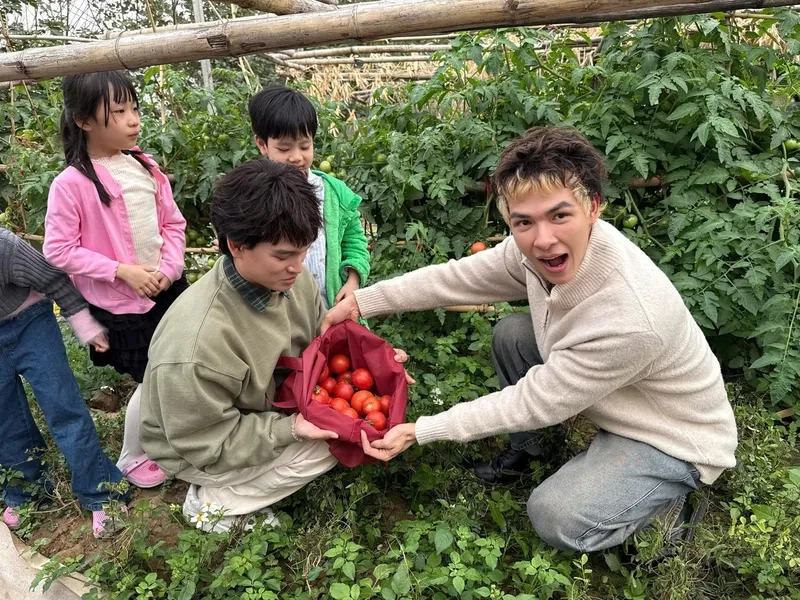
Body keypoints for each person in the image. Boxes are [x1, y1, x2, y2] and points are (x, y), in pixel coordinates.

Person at [322, 126, 738, 553]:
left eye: (560, 216)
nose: (543, 239)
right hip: (616, 396)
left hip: (671, 437)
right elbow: (457, 278)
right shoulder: (530, 253)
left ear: (594, 207)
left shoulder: (631, 318)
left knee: (555, 516)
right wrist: (362, 302)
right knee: (514, 334)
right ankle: (535, 449)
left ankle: (668, 514)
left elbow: (535, 400)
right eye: (524, 222)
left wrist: (423, 430)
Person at [139, 159, 342, 533]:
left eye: (303, 252)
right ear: (236, 245)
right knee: (325, 449)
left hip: (238, 406)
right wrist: (290, 430)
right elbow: (205, 441)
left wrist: (368, 360)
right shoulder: (199, 343)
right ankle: (211, 504)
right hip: (196, 443)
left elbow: (321, 341)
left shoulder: (289, 281)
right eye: (283, 255)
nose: (298, 267)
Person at [43, 71, 187, 491]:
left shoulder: (145, 165)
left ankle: (168, 438)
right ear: (84, 120)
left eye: (134, 109)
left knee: (176, 365)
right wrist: (121, 271)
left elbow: (173, 224)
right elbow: (58, 249)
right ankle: (133, 454)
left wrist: (169, 268)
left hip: (165, 288)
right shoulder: (71, 184)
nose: (133, 120)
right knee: (151, 375)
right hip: (124, 304)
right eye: (118, 111)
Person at [0, 227, 128, 538]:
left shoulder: (6, 247)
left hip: (30, 321)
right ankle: (27, 489)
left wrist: (86, 327)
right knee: (4, 419)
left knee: (63, 407)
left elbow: (54, 279)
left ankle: (102, 492)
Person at [247, 84, 370, 309]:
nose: (296, 157)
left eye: (305, 146)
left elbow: (355, 242)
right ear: (262, 144)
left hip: (331, 307)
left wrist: (353, 281)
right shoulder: (253, 195)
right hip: (281, 313)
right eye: (284, 149)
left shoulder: (334, 193)